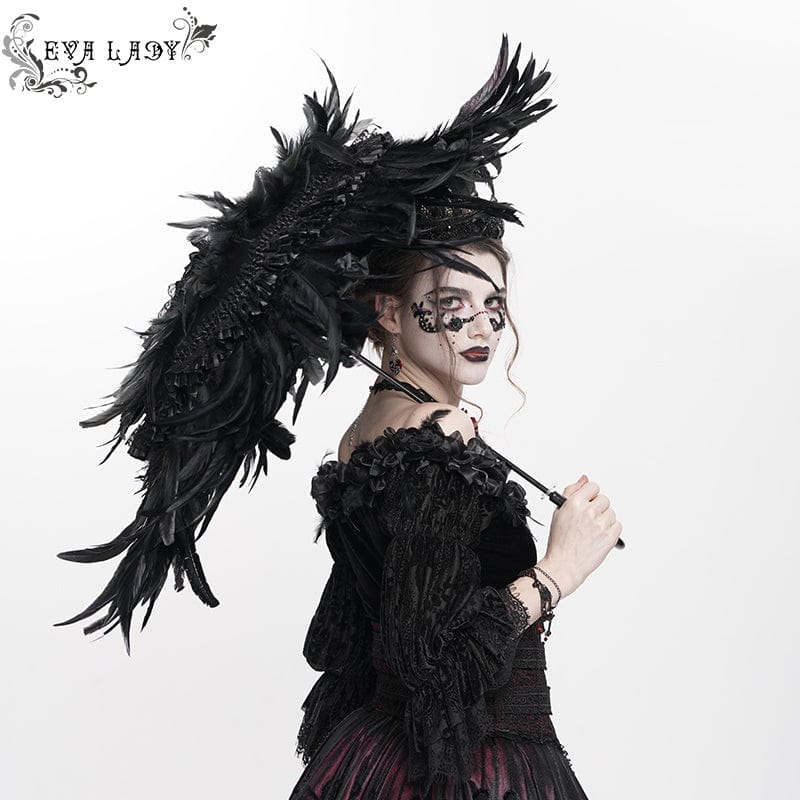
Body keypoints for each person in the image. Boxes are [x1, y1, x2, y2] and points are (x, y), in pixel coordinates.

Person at [289, 240, 621, 799]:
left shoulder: (365, 429)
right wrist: (560, 569)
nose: (483, 326)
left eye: (493, 303)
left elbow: (375, 631)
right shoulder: (441, 430)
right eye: (452, 303)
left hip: (374, 753)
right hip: (470, 766)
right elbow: (431, 664)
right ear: (388, 311)